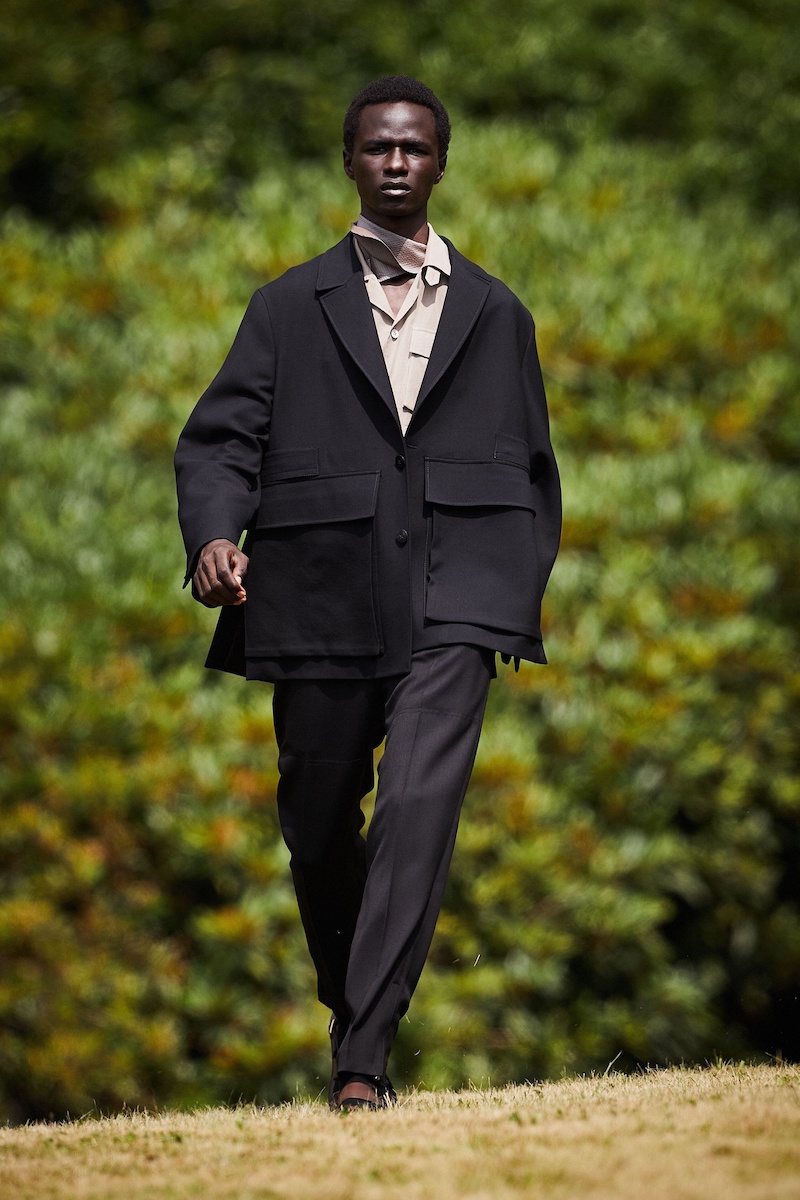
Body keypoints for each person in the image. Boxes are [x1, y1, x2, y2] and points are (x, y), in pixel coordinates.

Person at [175, 75, 561, 1111]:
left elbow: (532, 466)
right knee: (313, 820)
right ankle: (353, 1003)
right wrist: (213, 537)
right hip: (318, 591)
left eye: (415, 148)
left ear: (441, 164)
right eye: (378, 147)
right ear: (349, 160)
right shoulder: (285, 307)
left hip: (456, 593)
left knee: (417, 810)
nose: (396, 163)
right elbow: (220, 441)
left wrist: (509, 589)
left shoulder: (497, 313)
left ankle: (361, 1062)